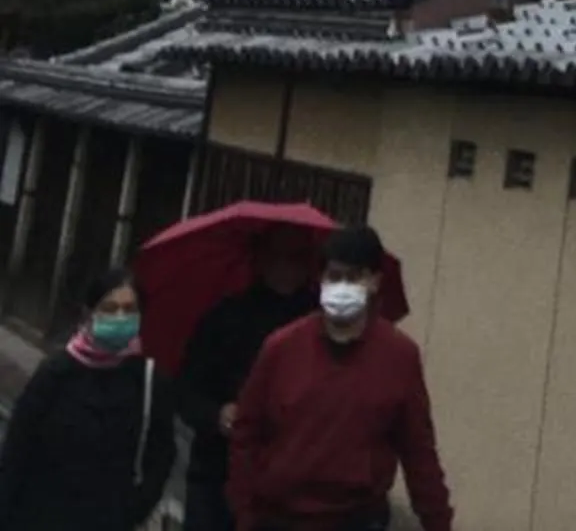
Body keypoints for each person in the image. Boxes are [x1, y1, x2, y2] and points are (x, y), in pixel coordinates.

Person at [228, 225, 452, 531]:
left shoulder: (399, 357)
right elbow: (246, 434)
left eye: (355, 276)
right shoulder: (282, 347)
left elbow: (418, 452)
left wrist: (437, 521)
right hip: (280, 517)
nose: (343, 286)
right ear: (320, 280)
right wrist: (245, 515)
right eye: (334, 276)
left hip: (356, 518)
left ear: (374, 281)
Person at [0, 263, 176, 531]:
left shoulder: (149, 382)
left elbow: (161, 455)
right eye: (109, 308)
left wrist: (134, 509)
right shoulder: (56, 373)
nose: (119, 317)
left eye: (129, 310)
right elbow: (17, 449)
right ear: (89, 314)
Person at [174, 230, 319, 531]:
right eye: (277, 256)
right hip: (217, 473)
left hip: (291, 485)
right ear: (260, 259)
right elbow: (187, 390)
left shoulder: (322, 327)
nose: (285, 267)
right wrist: (217, 415)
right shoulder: (224, 316)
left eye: (294, 258)